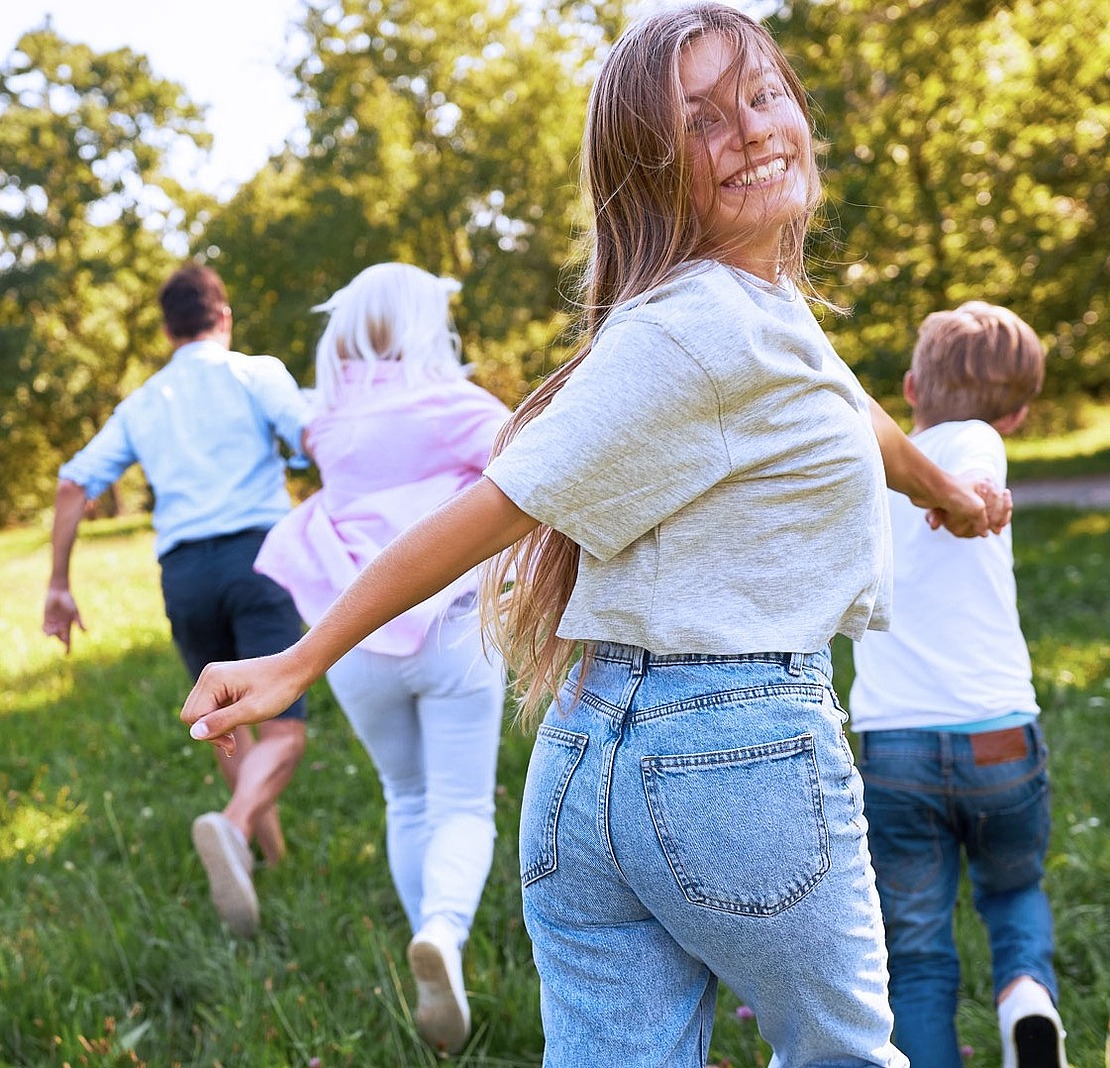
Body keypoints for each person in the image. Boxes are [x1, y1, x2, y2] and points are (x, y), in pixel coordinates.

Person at [181, 6, 1012, 1063]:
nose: (751, 130)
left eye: (761, 97)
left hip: (588, 769)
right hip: (736, 752)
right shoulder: (700, 327)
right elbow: (496, 505)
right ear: (650, 173)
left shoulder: (756, 312)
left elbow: (850, 409)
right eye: (701, 121)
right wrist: (302, 658)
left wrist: (947, 490)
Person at [251, 262, 511, 1053]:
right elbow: (536, 466)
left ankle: (429, 954)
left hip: (353, 636)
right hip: (452, 629)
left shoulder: (326, 422)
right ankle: (445, 932)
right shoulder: (452, 404)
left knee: (406, 796)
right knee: (465, 804)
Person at [43, 263, 310, 940]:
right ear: (223, 316)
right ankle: (234, 826)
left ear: (167, 331)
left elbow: (73, 484)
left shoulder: (142, 402)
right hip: (259, 559)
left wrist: (58, 583)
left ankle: (266, 857)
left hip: (184, 573)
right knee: (282, 726)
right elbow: (316, 441)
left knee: (225, 721)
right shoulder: (256, 373)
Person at [849, 301, 1067, 1068]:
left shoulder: (880, 473)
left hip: (895, 750)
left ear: (911, 387)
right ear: (1018, 414)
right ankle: (1026, 998)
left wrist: (977, 496)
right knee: (1012, 891)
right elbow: (977, 465)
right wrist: (977, 495)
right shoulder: (979, 439)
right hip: (999, 738)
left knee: (915, 949)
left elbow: (975, 476)